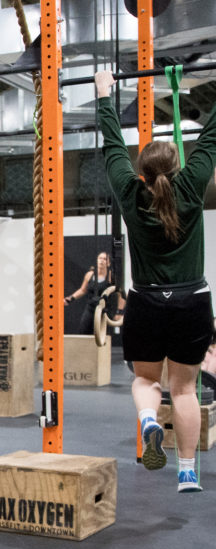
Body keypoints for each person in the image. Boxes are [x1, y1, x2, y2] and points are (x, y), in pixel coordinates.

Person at [96, 69, 216, 492]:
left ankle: (149, 419)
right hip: (192, 303)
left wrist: (104, 93)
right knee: (185, 390)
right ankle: (186, 473)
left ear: (141, 173)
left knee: (147, 381)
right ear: (178, 166)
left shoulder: (130, 192)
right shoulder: (193, 182)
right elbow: (213, 135)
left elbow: (112, 144)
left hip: (146, 303)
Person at [64, 251, 126, 335]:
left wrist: (119, 312)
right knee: (83, 331)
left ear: (108, 263)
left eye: (105, 259)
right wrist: (70, 299)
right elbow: (82, 290)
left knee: (102, 335)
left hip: (105, 309)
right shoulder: (89, 275)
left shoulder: (111, 277)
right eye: (100, 258)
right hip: (91, 308)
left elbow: (121, 295)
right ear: (97, 260)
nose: (102, 261)